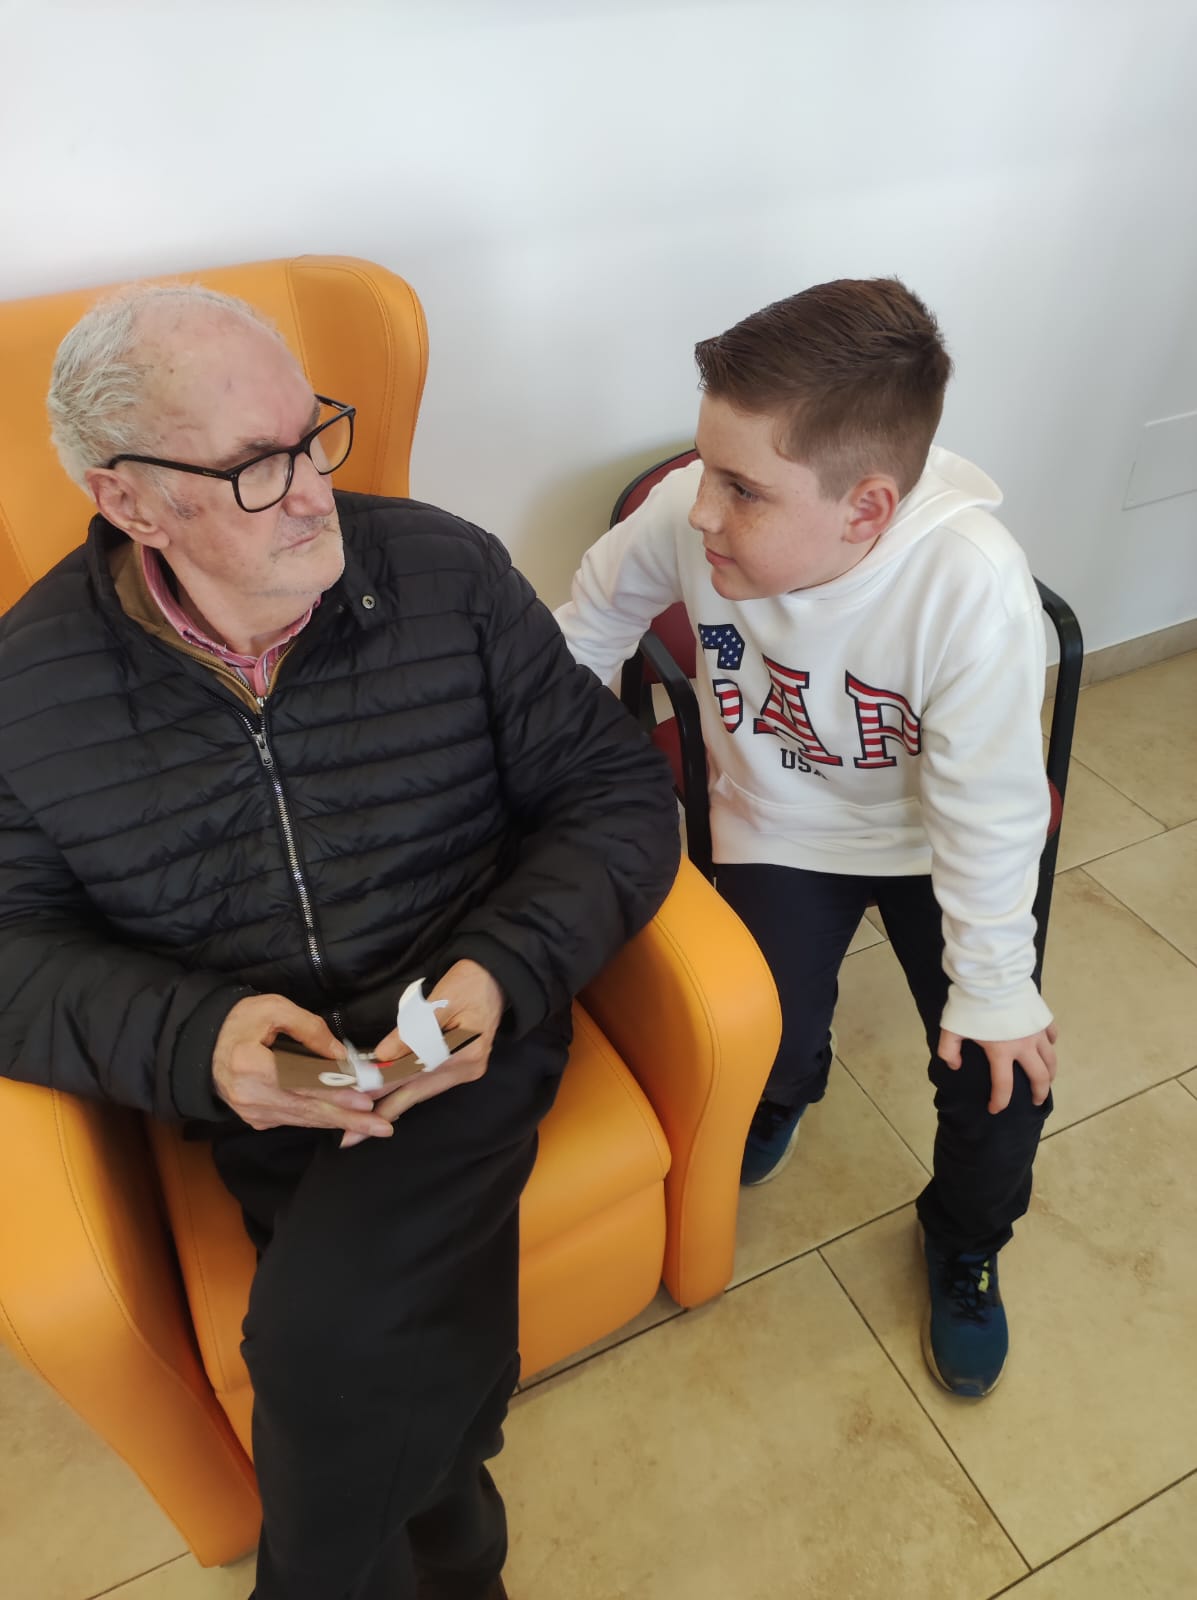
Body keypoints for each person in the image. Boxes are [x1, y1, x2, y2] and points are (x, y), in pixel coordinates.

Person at [0, 283, 679, 1600]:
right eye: (256, 466)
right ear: (129, 501)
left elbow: (614, 794)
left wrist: (501, 974)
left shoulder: (447, 574)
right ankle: (460, 1538)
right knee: (367, 1339)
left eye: (313, 435)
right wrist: (201, 1043)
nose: (316, 491)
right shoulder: (29, 694)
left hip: (467, 1024)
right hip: (264, 1084)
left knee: (313, 1339)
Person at [555, 277, 1058, 1399]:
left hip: (932, 840)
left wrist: (993, 986)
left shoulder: (967, 586)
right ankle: (788, 1087)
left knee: (1002, 1076)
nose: (699, 511)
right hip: (780, 818)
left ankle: (964, 1241)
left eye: (742, 489)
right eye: (705, 467)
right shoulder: (688, 514)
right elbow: (585, 631)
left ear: (865, 510)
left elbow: (989, 811)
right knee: (760, 1030)